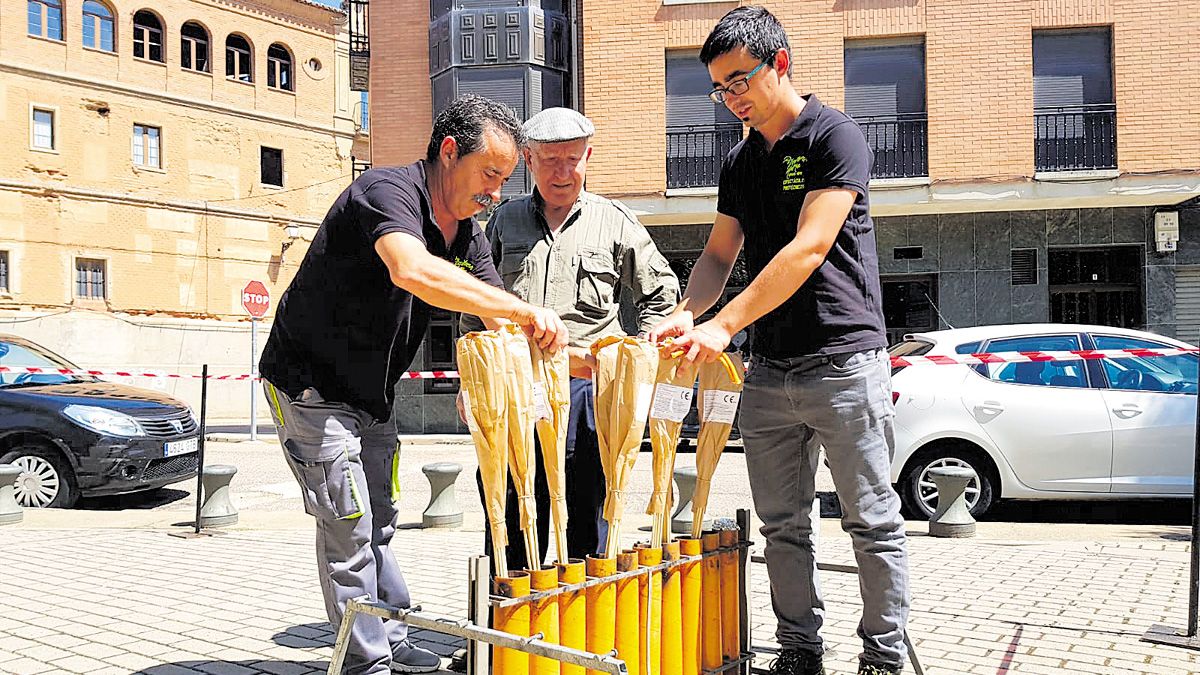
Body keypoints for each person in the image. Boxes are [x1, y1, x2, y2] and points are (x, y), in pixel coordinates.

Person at [258, 94, 568, 675]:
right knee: (348, 526)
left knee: (380, 520)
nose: (496, 192)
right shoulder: (385, 192)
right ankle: (365, 663)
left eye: (504, 180)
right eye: (490, 174)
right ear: (449, 152)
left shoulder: (467, 235)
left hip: (372, 395)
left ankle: (393, 639)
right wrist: (520, 312)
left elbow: (497, 313)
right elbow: (412, 270)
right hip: (310, 387)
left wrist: (559, 357)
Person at [648, 7, 910, 675]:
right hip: (769, 373)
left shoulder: (834, 136)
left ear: (781, 63)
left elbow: (809, 247)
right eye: (720, 88)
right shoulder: (739, 160)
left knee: (870, 521)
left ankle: (881, 658)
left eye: (740, 80)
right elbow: (718, 254)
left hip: (844, 360)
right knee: (782, 527)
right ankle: (799, 652)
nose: (732, 98)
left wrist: (724, 325)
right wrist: (687, 312)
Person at [464, 107, 680, 569]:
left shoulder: (614, 221)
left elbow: (662, 293)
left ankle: (584, 614)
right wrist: (471, 384)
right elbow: (476, 304)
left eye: (572, 160)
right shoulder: (504, 221)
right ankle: (512, 612)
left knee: (587, 530)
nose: (562, 173)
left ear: (588, 156)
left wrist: (636, 366)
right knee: (512, 524)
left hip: (588, 394)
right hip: (515, 390)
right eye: (549, 161)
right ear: (528, 159)